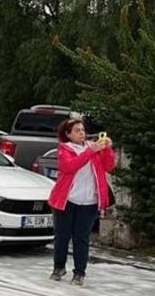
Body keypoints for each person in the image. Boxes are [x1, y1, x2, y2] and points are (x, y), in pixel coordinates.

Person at [47, 118, 116, 286]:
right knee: (62, 236)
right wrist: (90, 151)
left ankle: (79, 273)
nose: (81, 133)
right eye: (77, 130)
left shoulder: (93, 147)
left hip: (89, 202)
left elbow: (109, 166)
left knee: (82, 238)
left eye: (83, 130)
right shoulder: (65, 149)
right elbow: (70, 167)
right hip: (67, 201)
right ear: (68, 134)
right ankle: (59, 267)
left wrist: (107, 149)